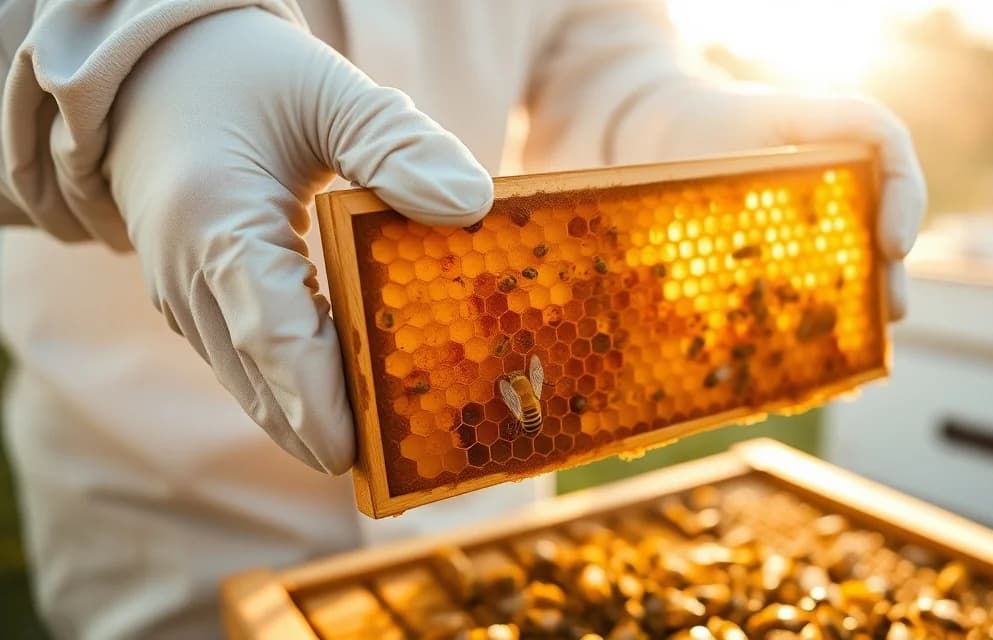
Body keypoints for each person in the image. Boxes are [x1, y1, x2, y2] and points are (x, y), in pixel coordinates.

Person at [0, 1, 926, 637]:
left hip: (489, 469)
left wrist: (655, 121)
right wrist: (137, 70)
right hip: (170, 522)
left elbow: (588, 42)